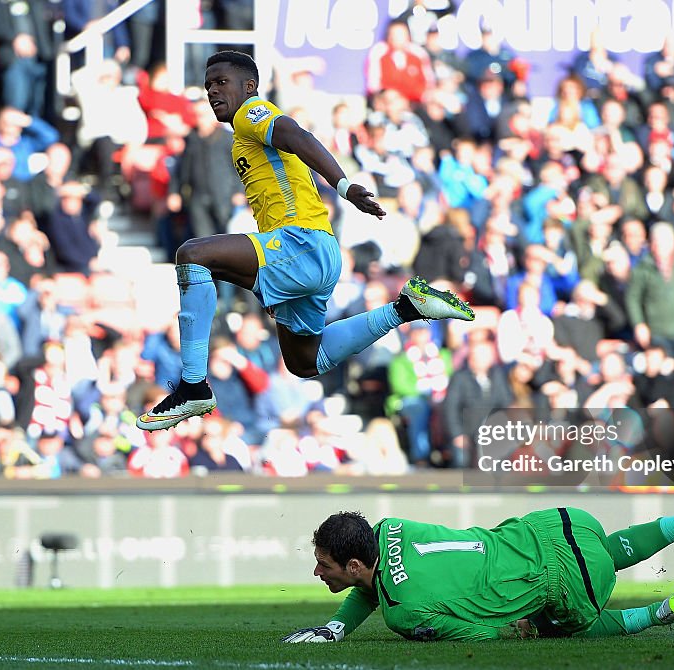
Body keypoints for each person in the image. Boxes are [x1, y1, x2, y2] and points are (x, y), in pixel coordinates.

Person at [136, 51, 474, 432]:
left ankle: (193, 385)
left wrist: (343, 186)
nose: (212, 90)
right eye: (208, 85)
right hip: (316, 253)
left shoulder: (251, 112)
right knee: (305, 362)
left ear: (249, 86)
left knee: (192, 255)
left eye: (221, 82)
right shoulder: (240, 140)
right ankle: (404, 310)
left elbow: (298, 136)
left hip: (300, 244)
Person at [283, 492, 674, 643]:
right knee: (606, 551)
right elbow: (375, 579)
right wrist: (336, 627)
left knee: (548, 627)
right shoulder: (390, 528)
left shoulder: (402, 613)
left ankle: (658, 614)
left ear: (353, 564)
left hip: (564, 583)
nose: (318, 573)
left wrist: (516, 628)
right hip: (558, 523)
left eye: (324, 565)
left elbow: (482, 635)